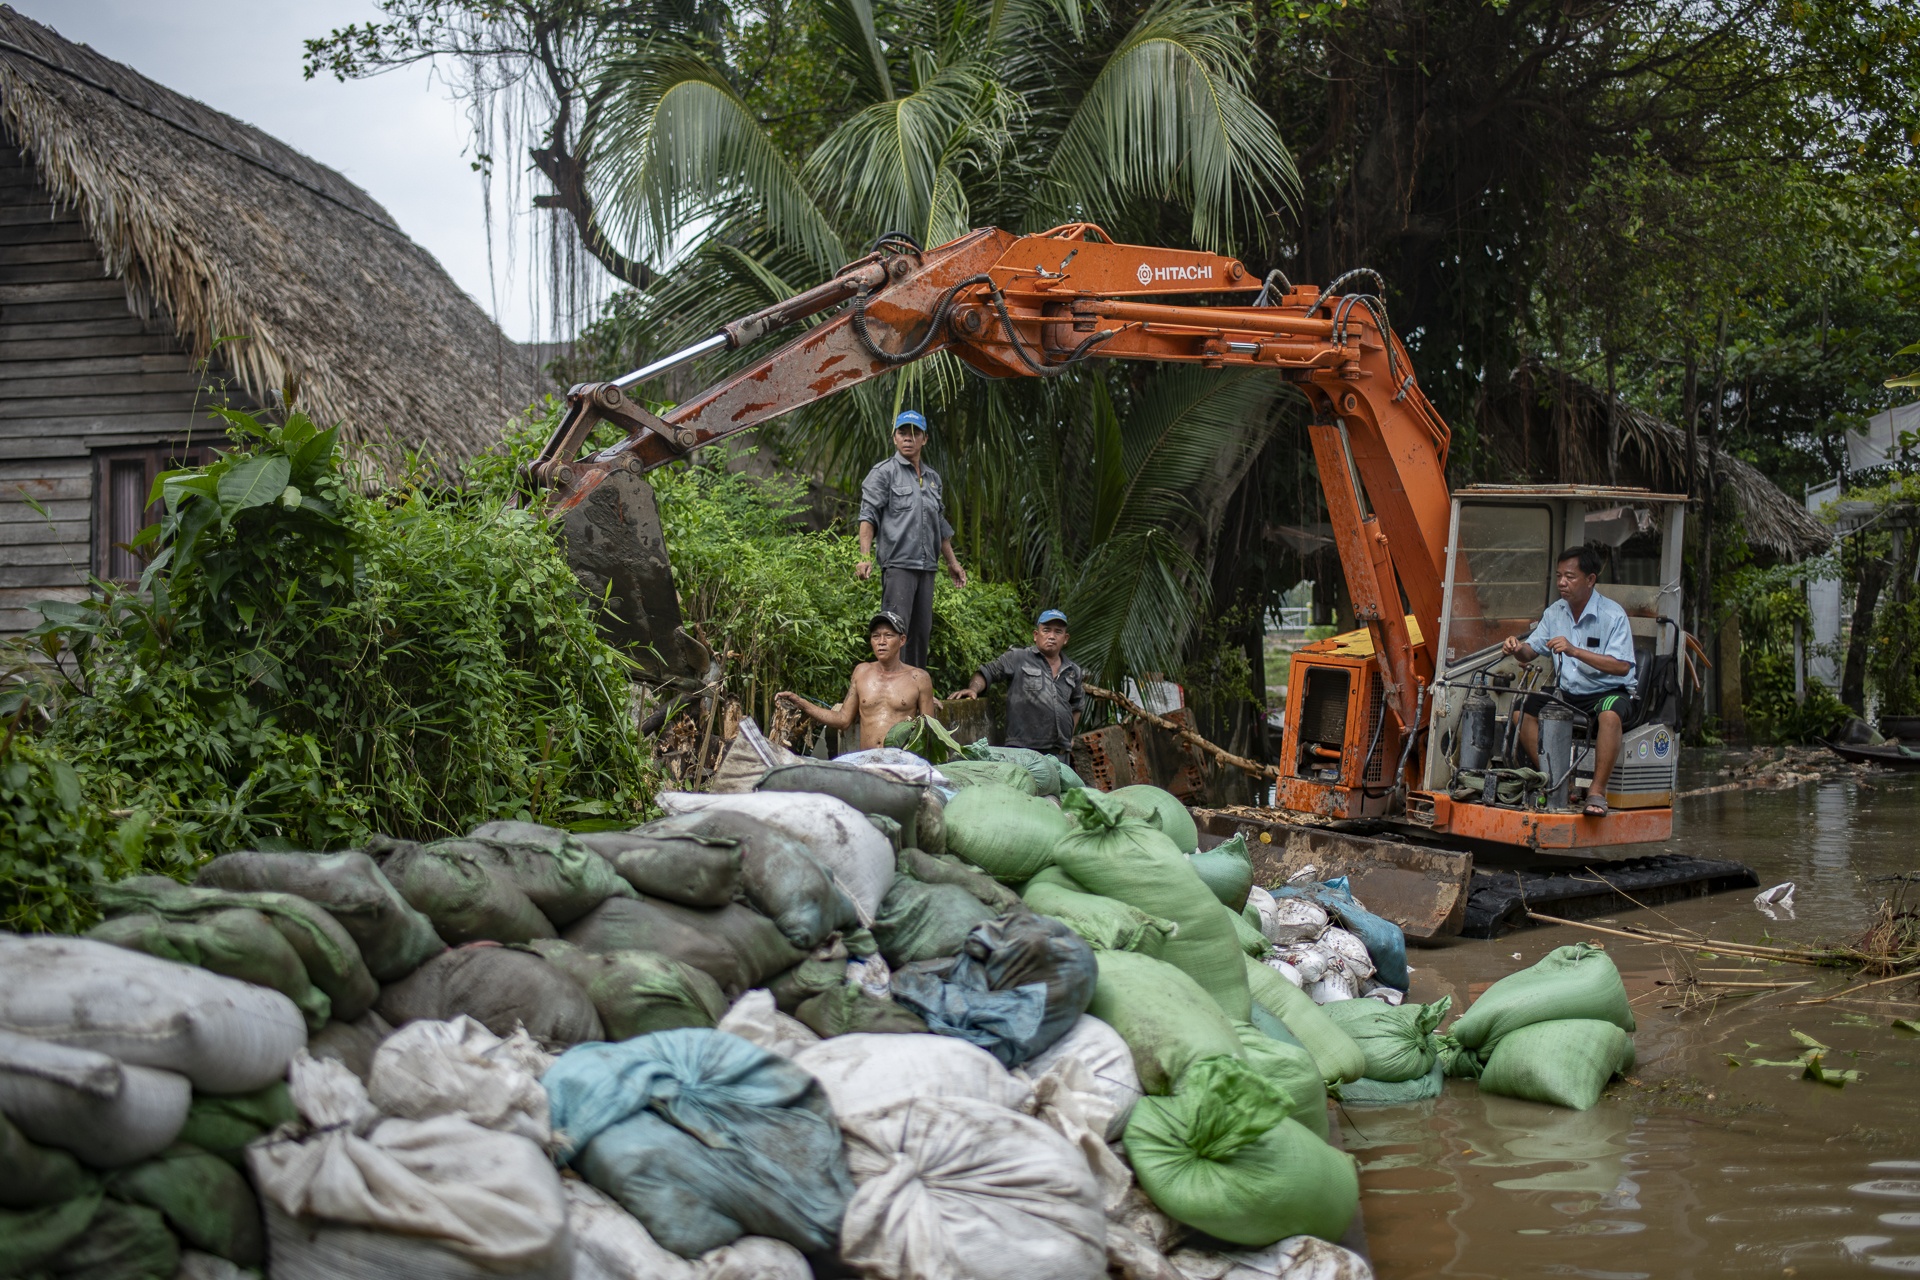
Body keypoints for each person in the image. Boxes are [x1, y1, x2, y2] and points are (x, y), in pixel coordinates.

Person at [1502, 545, 1639, 816]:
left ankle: (1597, 794)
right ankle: (1556, 781)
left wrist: (1575, 650)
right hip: (1569, 694)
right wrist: (1516, 647)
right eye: (1559, 576)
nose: (1562, 583)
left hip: (1609, 691)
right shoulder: (1555, 612)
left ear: (1590, 579)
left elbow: (1622, 666)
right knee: (1521, 710)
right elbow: (1531, 651)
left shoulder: (1613, 615)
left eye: (1570, 576)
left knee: (1610, 715)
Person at [857, 409, 966, 670]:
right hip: (899, 565)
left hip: (927, 568)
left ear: (924, 439)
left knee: (920, 632)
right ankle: (893, 693)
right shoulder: (884, 472)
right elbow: (867, 517)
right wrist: (864, 557)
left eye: (915, 433)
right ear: (894, 438)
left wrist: (952, 562)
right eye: (902, 432)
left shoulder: (932, 479)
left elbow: (939, 524)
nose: (908, 438)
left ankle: (916, 689)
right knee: (894, 630)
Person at [776, 611, 937, 750]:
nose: (881, 642)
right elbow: (843, 719)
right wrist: (801, 703)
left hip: (902, 762)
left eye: (888, 636)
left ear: (902, 640)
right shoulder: (862, 672)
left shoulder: (919, 678)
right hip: (867, 760)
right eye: (876, 636)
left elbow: (929, 733)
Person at [950, 609, 1084, 762]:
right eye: (1046, 630)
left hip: (1059, 753)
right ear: (1036, 635)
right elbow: (987, 672)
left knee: (1060, 786)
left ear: (1065, 638)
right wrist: (973, 688)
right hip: (1023, 751)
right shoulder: (1018, 658)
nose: (1052, 636)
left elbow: (1077, 705)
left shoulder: (1073, 671)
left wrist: (1068, 736)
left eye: (1058, 632)